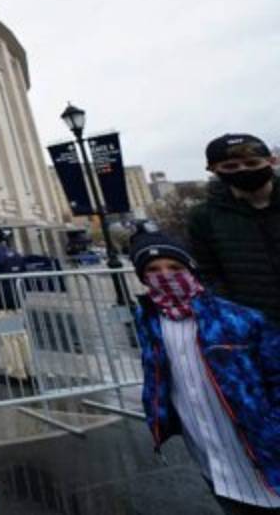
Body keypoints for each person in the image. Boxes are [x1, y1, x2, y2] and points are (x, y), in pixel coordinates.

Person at [130, 229, 280, 514]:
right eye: (153, 270)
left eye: (175, 267)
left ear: (190, 269)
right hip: (205, 448)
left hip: (261, 446)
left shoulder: (238, 318)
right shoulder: (148, 321)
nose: (165, 275)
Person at [188, 134, 280, 324]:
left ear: (272, 161)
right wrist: (237, 315)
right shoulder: (203, 217)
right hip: (256, 325)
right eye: (231, 166)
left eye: (252, 163)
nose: (243, 170)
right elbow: (209, 274)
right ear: (213, 170)